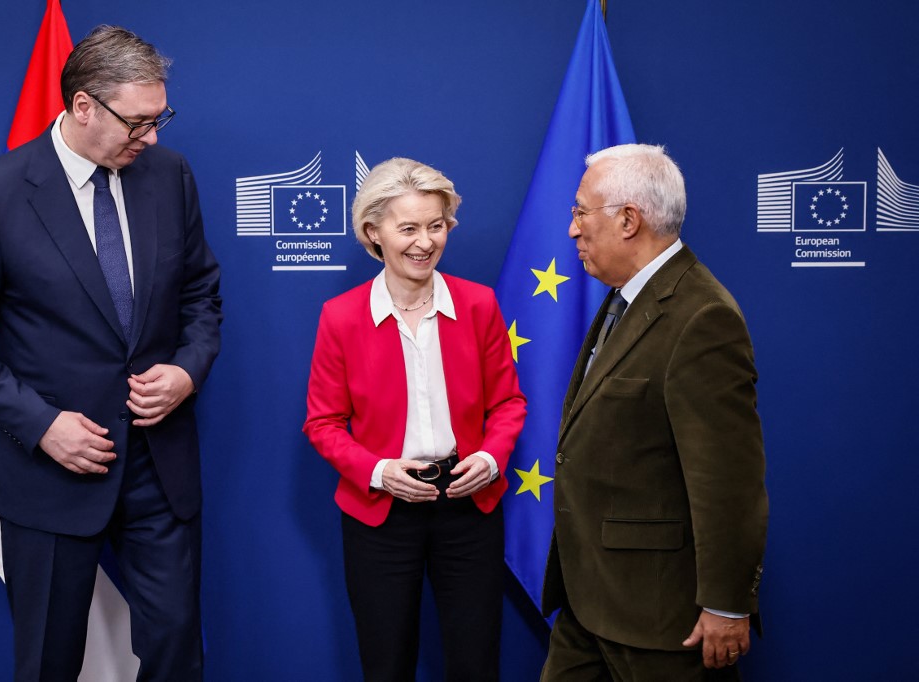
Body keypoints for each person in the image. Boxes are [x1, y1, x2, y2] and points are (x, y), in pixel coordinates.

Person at [0, 26, 222, 680]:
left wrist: (187, 370)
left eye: (159, 118)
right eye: (138, 122)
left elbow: (201, 291)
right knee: (49, 661)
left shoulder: (169, 176)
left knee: (178, 652)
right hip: (50, 472)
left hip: (158, 466)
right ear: (83, 106)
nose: (152, 137)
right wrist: (40, 424)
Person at [540, 144, 768, 681]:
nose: (572, 229)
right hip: (588, 601)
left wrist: (727, 604)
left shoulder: (702, 315)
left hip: (660, 617)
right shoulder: (626, 297)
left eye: (579, 212)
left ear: (627, 220)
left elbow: (727, 480)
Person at [303, 157, 526, 681]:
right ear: (373, 232)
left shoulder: (478, 305)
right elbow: (323, 423)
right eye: (408, 228)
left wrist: (492, 458)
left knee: (476, 661)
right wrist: (379, 472)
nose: (425, 242)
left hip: (469, 504)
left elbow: (509, 404)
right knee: (386, 663)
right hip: (380, 511)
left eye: (436, 225)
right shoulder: (341, 316)